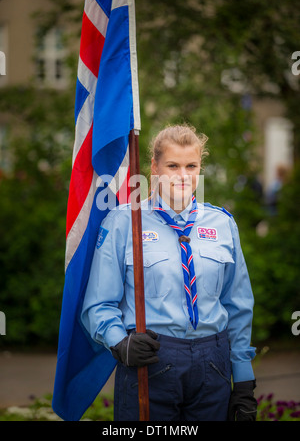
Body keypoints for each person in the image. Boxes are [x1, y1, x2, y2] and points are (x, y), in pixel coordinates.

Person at [81, 124, 257, 421]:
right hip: (151, 362)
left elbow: (238, 307)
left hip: (212, 365)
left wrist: (243, 380)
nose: (183, 175)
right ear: (154, 167)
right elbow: (97, 305)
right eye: (173, 165)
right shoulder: (125, 222)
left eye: (192, 165)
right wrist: (120, 343)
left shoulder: (223, 223)